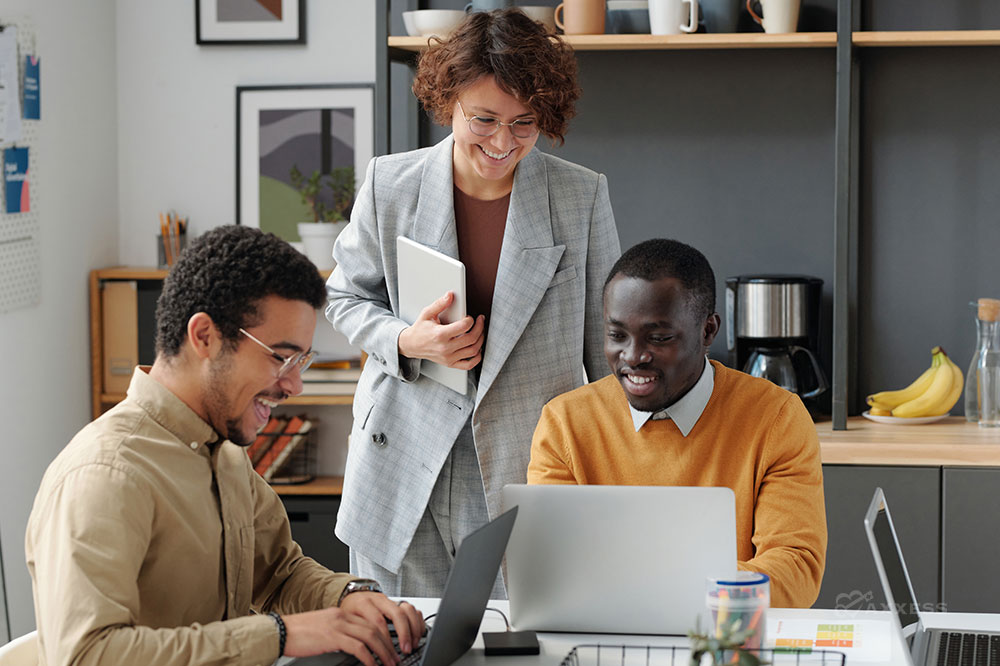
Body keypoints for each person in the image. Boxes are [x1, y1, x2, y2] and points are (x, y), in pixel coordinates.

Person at [25, 226, 424, 666]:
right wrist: (280, 635)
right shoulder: (104, 476)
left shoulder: (223, 451)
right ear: (205, 337)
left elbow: (279, 574)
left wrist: (348, 598)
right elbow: (85, 655)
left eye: (302, 361)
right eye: (281, 357)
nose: (294, 384)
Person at [326, 8, 620, 597]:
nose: (502, 142)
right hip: (401, 458)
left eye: (524, 123)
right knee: (399, 643)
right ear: (448, 101)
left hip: (526, 463)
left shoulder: (580, 196)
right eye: (483, 119)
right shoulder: (391, 183)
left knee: (516, 645)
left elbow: (606, 352)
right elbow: (344, 295)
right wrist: (407, 341)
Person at [527, 239, 827, 608]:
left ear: (707, 332)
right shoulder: (565, 424)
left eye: (659, 338)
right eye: (617, 335)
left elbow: (795, 567)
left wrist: (659, 588)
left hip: (726, 641)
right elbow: (552, 567)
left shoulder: (776, 418)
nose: (633, 356)